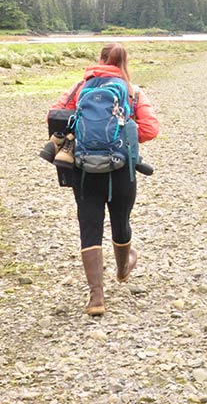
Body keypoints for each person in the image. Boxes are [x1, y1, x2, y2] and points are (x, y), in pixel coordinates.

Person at [49, 43, 160, 316]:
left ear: (98, 60)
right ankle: (123, 269)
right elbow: (150, 129)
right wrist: (122, 134)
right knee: (120, 221)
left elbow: (53, 116)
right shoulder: (132, 92)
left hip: (84, 169)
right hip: (121, 169)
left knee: (89, 225)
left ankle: (96, 297)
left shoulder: (79, 88)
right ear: (124, 63)